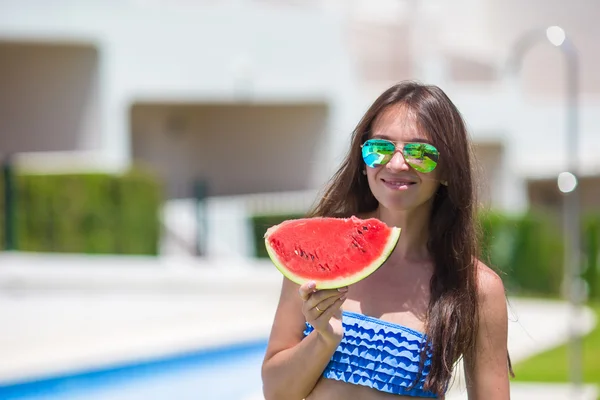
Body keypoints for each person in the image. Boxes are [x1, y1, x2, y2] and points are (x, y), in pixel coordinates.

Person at [261, 81, 512, 399]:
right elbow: (276, 393)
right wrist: (324, 337)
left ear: (448, 169)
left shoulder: (476, 288)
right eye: (380, 148)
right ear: (363, 160)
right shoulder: (315, 256)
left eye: (421, 152)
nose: (396, 164)